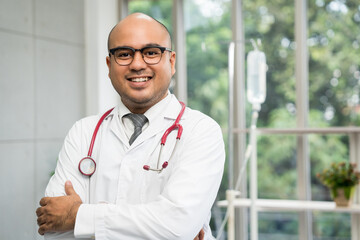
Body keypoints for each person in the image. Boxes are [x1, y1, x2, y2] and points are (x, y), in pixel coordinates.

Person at [36, 12, 225, 240]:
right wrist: (154, 226)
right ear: (109, 64)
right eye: (124, 54)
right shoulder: (84, 132)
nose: (137, 64)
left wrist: (80, 216)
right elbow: (55, 228)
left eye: (151, 53)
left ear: (171, 62)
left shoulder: (201, 131)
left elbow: (177, 226)